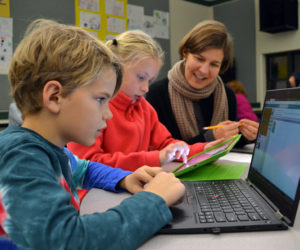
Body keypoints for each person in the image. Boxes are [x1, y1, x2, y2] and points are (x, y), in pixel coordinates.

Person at [0, 19, 186, 250]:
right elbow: (67, 242)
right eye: (100, 99)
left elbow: (83, 168)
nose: (108, 114)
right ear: (54, 97)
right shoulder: (22, 157)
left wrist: (124, 178)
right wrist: (153, 201)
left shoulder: (51, 148)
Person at [67, 30, 221, 199]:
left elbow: (165, 144)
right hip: (95, 194)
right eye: (141, 77)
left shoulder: (144, 108)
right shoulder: (94, 108)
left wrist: (201, 150)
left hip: (132, 188)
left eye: (150, 80)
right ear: (116, 69)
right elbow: (86, 165)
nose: (146, 88)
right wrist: (155, 158)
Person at [146, 20, 259, 146]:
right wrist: (211, 137)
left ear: (222, 66)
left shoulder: (228, 95)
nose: (204, 71)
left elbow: (230, 142)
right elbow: (162, 150)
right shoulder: (158, 93)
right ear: (185, 53)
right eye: (199, 59)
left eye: (214, 64)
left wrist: (248, 136)